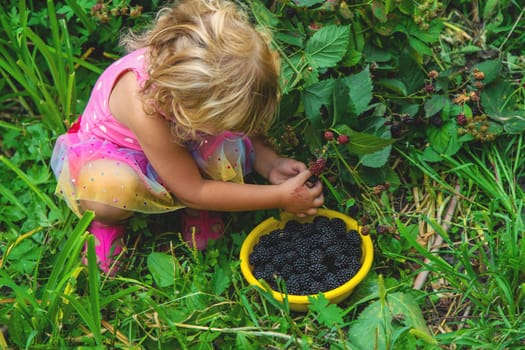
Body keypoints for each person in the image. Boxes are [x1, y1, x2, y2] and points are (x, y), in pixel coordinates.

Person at [50, 0, 324, 275]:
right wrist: (278, 196)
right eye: (223, 123)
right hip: (124, 155)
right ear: (186, 107)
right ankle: (106, 225)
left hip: (181, 145)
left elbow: (239, 131)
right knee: (107, 189)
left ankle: (201, 205)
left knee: (225, 146)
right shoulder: (142, 106)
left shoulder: (200, 80)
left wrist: (271, 164)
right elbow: (192, 191)